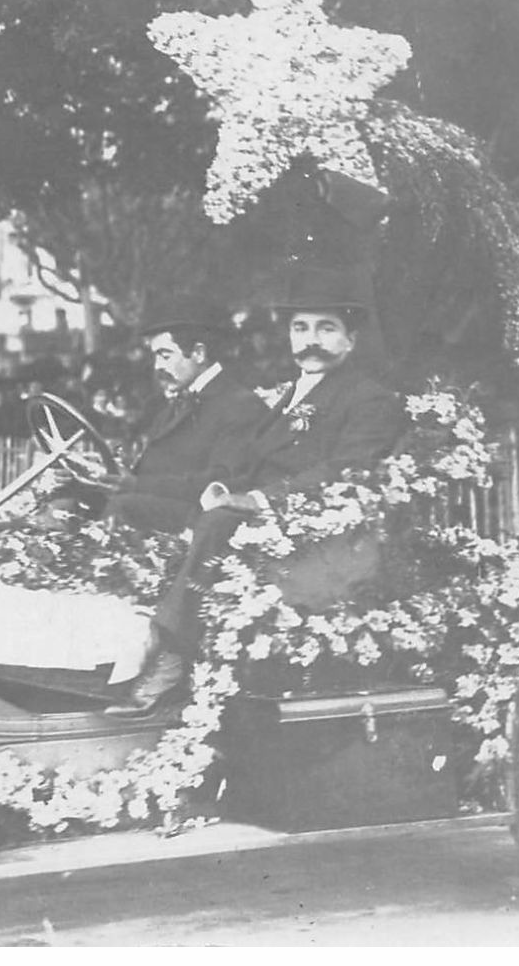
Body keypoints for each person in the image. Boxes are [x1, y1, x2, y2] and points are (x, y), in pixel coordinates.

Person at [108, 267, 407, 717]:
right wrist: (190, 487)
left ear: (351, 339)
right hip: (261, 515)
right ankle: (105, 645)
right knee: (134, 508)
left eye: (326, 328)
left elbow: (346, 469)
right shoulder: (293, 393)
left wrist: (256, 500)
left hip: (316, 529)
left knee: (217, 521)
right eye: (300, 328)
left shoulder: (367, 398)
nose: (311, 340)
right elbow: (244, 467)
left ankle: (169, 655)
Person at [99, 298, 267, 534]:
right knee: (75, 498)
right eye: (155, 357)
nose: (157, 366)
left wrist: (137, 485)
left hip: (198, 521)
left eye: (165, 355)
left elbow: (222, 480)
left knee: (120, 507)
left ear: (198, 353)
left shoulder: (240, 404)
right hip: (156, 510)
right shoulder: (173, 402)